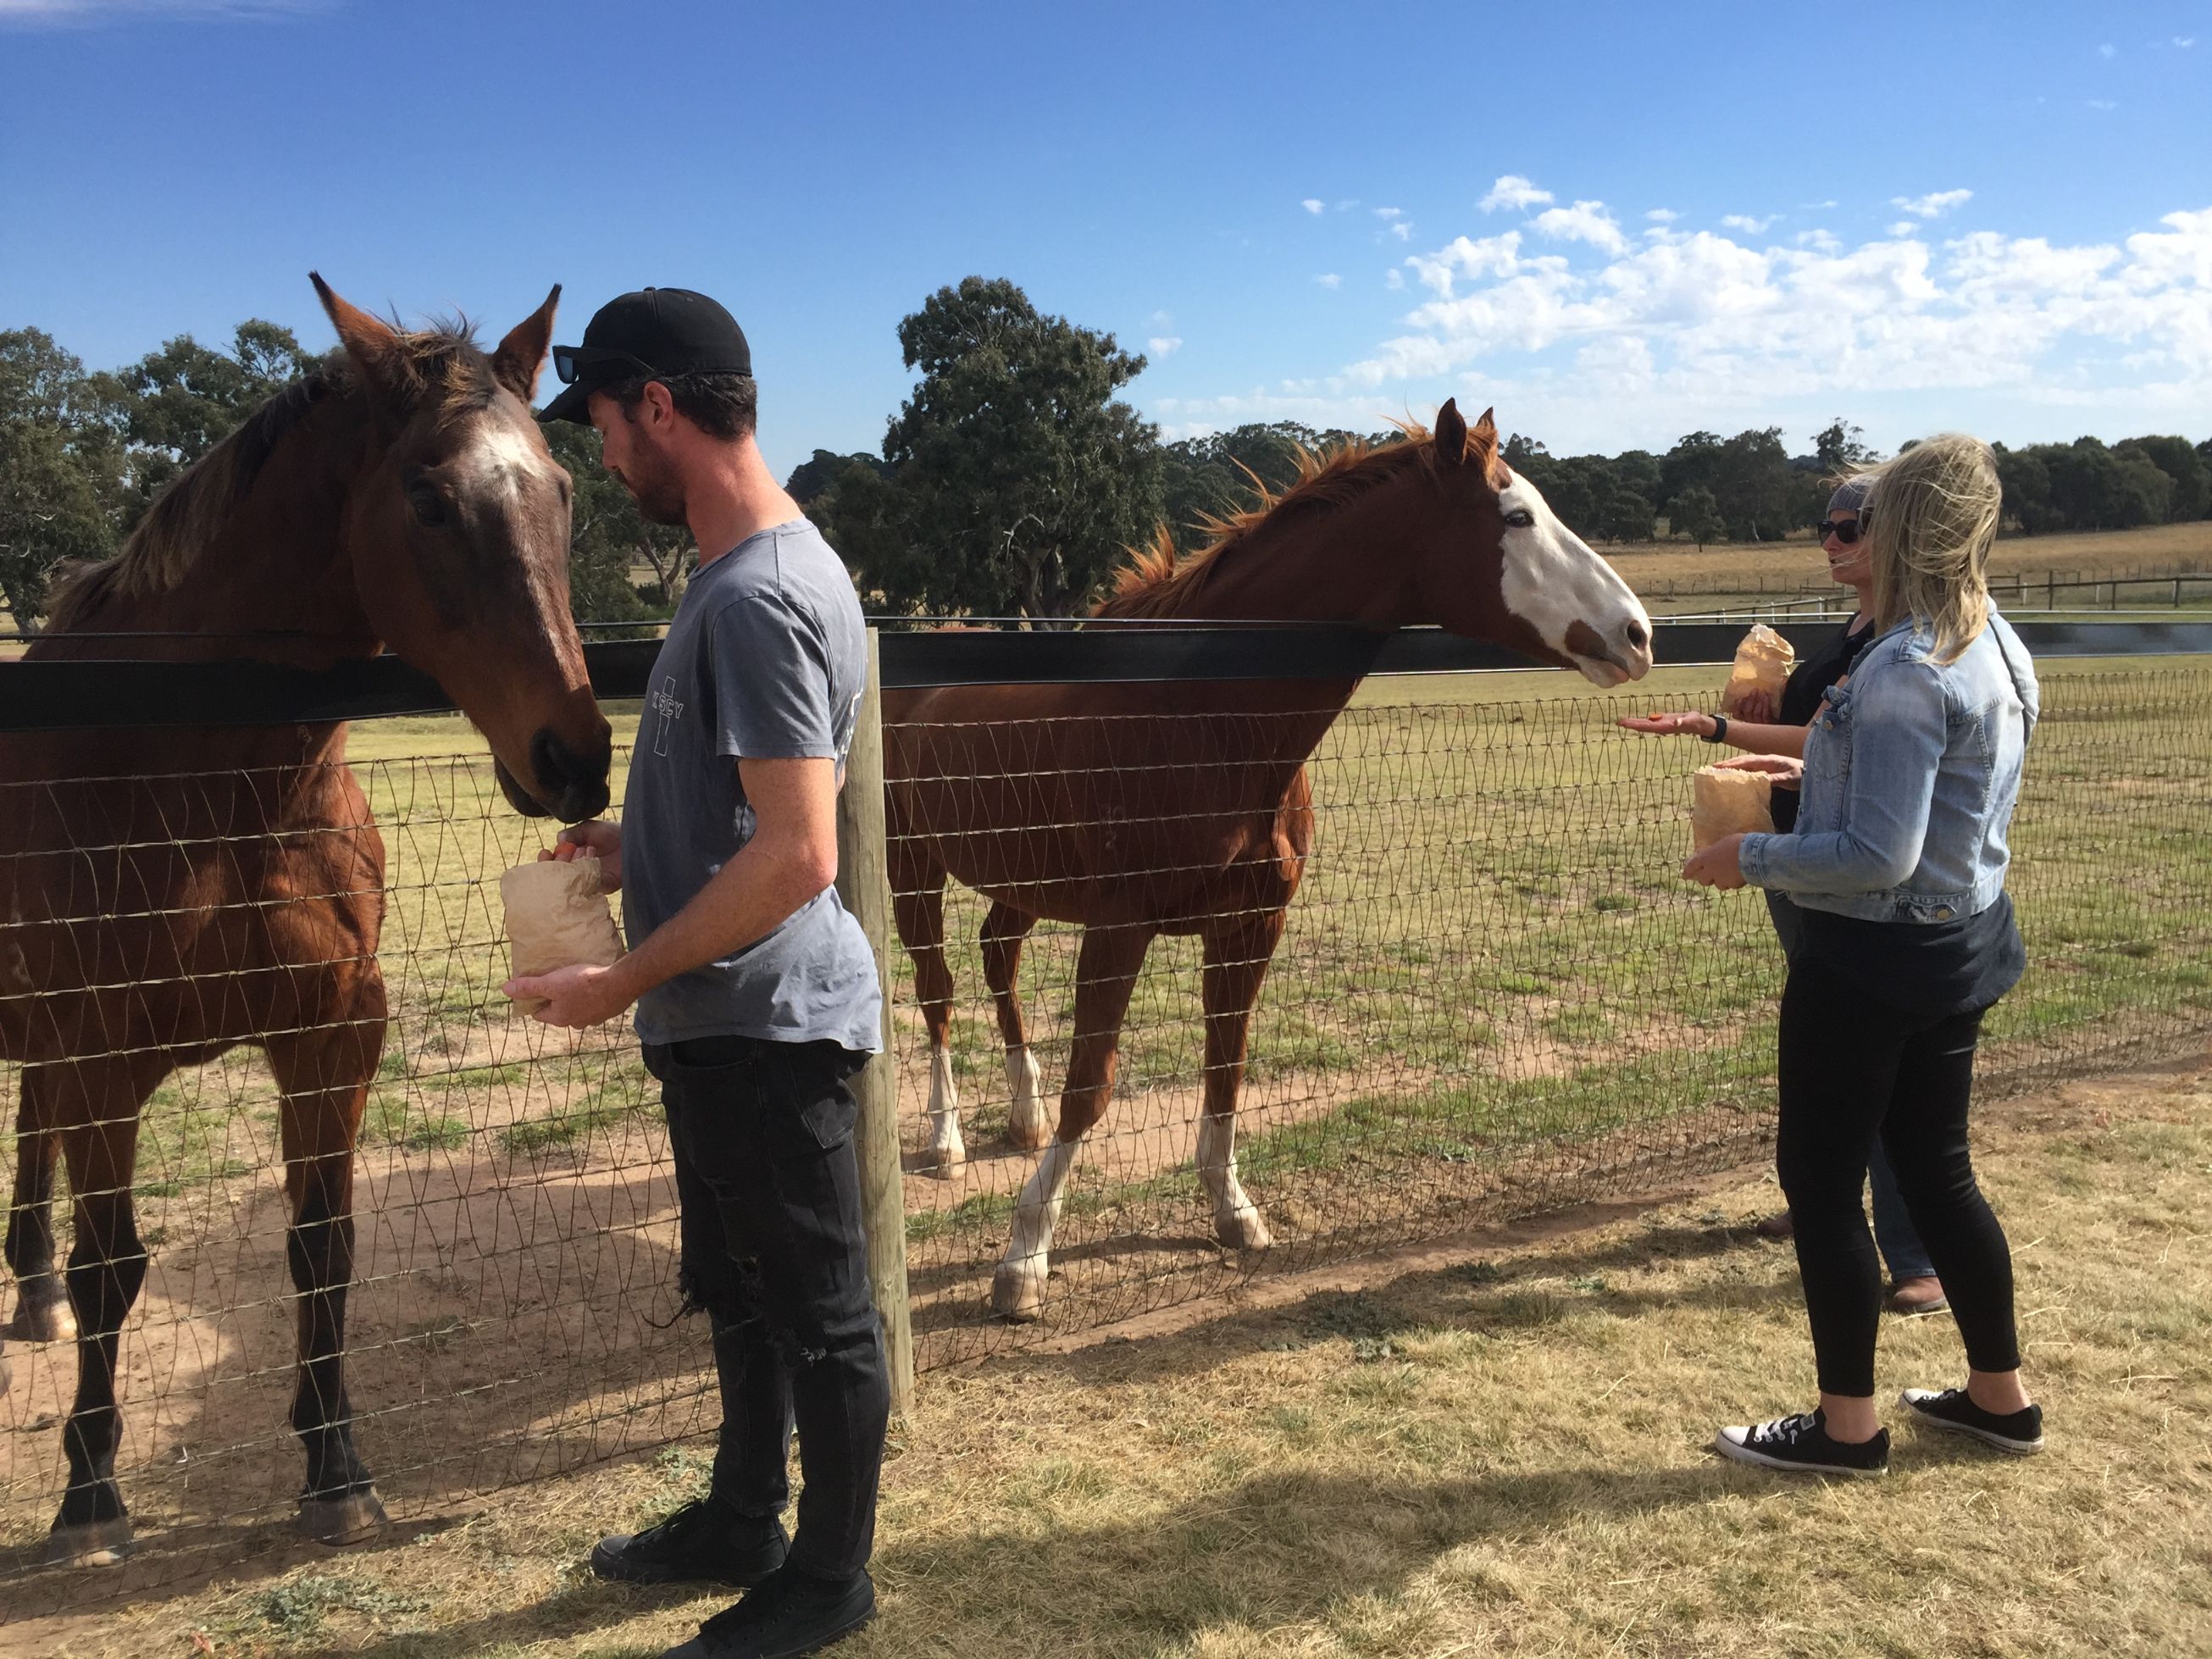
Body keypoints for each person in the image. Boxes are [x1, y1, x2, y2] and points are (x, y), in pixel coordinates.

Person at [507, 286, 885, 1659]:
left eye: (605, 424)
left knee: (822, 1316)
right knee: (742, 1284)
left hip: (770, 1025)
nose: (606, 454)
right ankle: (741, 1517)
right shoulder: (732, 581)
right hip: (718, 1018)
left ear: (656, 406)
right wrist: (632, 846)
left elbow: (797, 852)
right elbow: (744, 815)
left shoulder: (763, 593)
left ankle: (827, 1581)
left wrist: (617, 983)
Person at [1678, 433, 2043, 1477]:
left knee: (1824, 1181)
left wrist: (1747, 855)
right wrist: (1811, 765)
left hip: (1869, 962)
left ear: (1905, 527)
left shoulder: (1901, 667)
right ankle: (1999, 1400)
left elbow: (1879, 855)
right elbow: (1939, 791)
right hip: (1960, 944)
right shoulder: (1993, 640)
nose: (1843, 533)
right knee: (1939, 1170)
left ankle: (1846, 1429)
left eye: (1865, 518)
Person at [1620, 480, 1947, 1316]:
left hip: (1852, 865)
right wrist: (1728, 722)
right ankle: (1828, 1206)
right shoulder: (1854, 633)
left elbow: (1852, 755)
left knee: (1873, 1063)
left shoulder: (1906, 648)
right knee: (1830, 1055)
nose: (1829, 540)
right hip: (1804, 856)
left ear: (1898, 532)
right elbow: (1823, 742)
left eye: (1849, 526)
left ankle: (1915, 1254)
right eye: (1823, 526)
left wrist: (1731, 738)